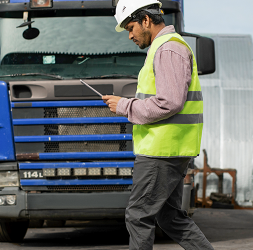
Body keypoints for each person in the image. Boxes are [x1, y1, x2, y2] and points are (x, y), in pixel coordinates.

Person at [102, 0, 213, 249]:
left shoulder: (168, 49)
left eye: (130, 27)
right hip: (168, 148)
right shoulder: (165, 48)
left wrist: (125, 106)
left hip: (161, 151)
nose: (129, 35)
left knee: (138, 216)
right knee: (170, 217)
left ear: (146, 20)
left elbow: (170, 102)